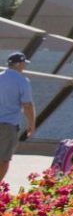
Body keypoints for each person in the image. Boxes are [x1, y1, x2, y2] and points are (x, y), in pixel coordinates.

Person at [0, 52, 38, 186]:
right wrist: (32, 124)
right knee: (4, 159)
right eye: (23, 63)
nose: (24, 66)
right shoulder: (22, 81)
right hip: (8, 125)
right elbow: (27, 104)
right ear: (18, 64)